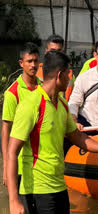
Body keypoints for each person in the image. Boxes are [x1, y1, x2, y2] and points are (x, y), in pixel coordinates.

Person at [6, 50, 98, 214]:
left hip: (59, 186)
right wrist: (14, 200)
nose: (70, 79)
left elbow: (77, 136)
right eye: (68, 74)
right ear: (59, 75)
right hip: (36, 189)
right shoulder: (31, 104)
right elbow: (12, 151)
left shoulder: (63, 104)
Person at [1, 42, 42, 187]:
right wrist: (6, 166)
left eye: (35, 61)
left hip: (41, 161)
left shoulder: (43, 88)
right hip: (19, 162)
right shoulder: (12, 93)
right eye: (29, 61)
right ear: (21, 63)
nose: (33, 65)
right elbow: (6, 129)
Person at [36, 34, 75, 101]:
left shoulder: (69, 75)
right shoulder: (35, 72)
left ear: (63, 52)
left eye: (58, 51)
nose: (55, 54)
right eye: (52, 51)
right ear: (46, 51)